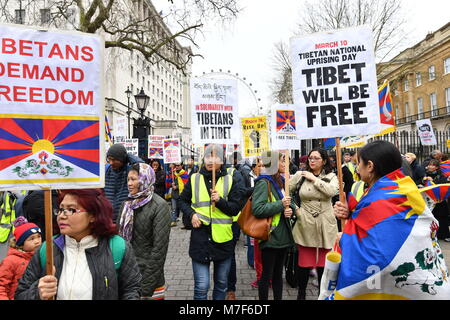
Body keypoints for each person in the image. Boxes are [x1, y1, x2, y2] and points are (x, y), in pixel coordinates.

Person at [333, 141, 450, 299]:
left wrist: (345, 239)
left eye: (359, 162)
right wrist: (351, 215)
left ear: (370, 166)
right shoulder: (402, 186)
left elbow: (377, 250)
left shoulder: (380, 197)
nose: (357, 168)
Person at [15, 189, 142, 300]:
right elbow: (20, 294)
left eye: (71, 210)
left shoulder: (117, 247)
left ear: (93, 215)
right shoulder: (47, 248)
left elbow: (132, 290)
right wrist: (37, 293)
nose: (61, 216)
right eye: (60, 209)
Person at [178, 144, 246, 300]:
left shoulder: (231, 179)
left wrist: (220, 201)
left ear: (222, 160)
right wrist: (191, 215)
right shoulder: (195, 178)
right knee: (201, 287)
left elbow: (235, 208)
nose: (210, 160)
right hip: (200, 241)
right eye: (208, 156)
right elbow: (183, 201)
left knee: (221, 285)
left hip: (223, 241)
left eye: (215, 157)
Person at [289, 148, 339, 300]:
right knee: (304, 261)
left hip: (325, 222)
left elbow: (331, 192)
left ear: (324, 161)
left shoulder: (331, 176)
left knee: (323, 263)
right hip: (306, 221)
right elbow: (285, 192)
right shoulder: (300, 175)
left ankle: (321, 294)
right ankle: (301, 292)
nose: (312, 160)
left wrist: (314, 179)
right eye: (310, 158)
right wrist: (297, 210)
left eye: (316, 158)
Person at [118, 163, 171, 300]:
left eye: (134, 179)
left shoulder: (160, 206)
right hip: (127, 277)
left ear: (145, 179)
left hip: (149, 279)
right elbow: (119, 241)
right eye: (128, 179)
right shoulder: (126, 205)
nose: (129, 183)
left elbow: (159, 250)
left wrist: (145, 288)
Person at [252, 151, 296, 300]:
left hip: (283, 236)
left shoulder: (281, 181)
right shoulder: (263, 182)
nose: (285, 164)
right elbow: (257, 209)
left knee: (278, 275)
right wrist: (280, 205)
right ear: (273, 164)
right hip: (270, 237)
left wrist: (292, 210)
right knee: (267, 276)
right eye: (282, 161)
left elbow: (289, 203)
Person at [0, 217, 41, 300]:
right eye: (32, 239)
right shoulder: (10, 261)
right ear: (21, 243)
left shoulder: (40, 257)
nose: (37, 241)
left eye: (39, 236)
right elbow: (2, 287)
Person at [104, 143, 143, 223]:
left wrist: (127, 156)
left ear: (122, 159)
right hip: (107, 219)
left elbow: (142, 167)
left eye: (114, 160)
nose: (111, 162)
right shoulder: (106, 170)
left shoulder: (130, 171)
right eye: (109, 159)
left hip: (124, 219)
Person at [423, 160, 450, 241]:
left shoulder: (440, 175)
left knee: (442, 217)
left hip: (439, 200)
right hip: (429, 201)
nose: (430, 166)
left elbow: (443, 184)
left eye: (433, 165)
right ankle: (433, 234)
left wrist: (432, 181)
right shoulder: (424, 174)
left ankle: (445, 235)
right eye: (430, 165)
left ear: (437, 167)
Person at [166, 162, 189, 227]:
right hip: (174, 194)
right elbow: (168, 181)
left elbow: (186, 184)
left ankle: (185, 222)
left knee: (183, 209)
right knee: (173, 208)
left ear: (182, 166)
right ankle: (173, 221)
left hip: (182, 194)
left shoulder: (185, 174)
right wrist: (171, 184)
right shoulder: (173, 173)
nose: (177, 167)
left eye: (178, 165)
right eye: (176, 166)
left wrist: (177, 187)